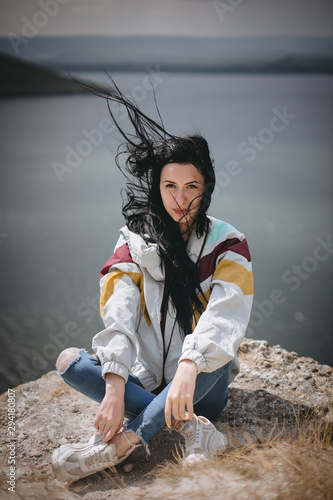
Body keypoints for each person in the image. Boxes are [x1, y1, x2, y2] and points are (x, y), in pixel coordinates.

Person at [51, 80, 254, 484]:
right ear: (157, 188)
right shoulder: (133, 241)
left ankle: (126, 442)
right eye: (170, 186)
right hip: (150, 377)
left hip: (201, 384)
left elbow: (224, 317)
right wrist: (113, 386)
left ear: (206, 188)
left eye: (191, 187)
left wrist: (187, 366)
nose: (180, 199)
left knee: (214, 353)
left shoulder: (230, 244)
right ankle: (193, 432)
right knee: (69, 362)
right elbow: (120, 309)